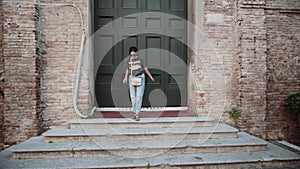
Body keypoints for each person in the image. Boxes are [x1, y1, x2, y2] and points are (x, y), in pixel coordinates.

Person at [123, 46, 155, 121]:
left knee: (139, 96)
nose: (133, 54)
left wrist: (150, 77)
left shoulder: (140, 59)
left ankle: (137, 113)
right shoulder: (129, 60)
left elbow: (145, 68)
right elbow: (128, 69)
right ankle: (134, 112)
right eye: (131, 52)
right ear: (130, 53)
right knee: (133, 97)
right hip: (132, 78)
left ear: (136, 52)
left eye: (134, 52)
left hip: (140, 77)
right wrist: (125, 78)